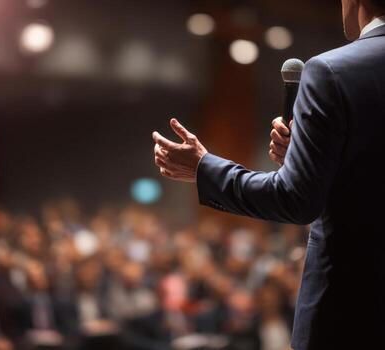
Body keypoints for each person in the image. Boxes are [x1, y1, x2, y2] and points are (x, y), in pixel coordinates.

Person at [152, 0, 385, 348]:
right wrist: (309, 159)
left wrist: (204, 168)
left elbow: (296, 199)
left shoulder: (331, 71)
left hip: (353, 312)